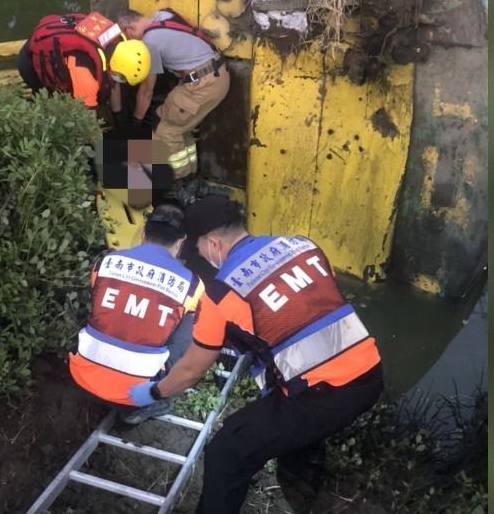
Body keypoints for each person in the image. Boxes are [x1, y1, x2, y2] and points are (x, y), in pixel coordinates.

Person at [127, 196, 384, 513]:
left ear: (214, 244)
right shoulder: (302, 246)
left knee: (226, 451)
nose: (201, 255)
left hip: (322, 396)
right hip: (369, 374)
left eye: (198, 247)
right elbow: (312, 305)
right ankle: (302, 488)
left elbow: (192, 369)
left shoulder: (221, 293)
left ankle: (297, 484)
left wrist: (153, 392)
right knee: (295, 429)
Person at [69, 204, 204, 424]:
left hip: (82, 375)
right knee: (193, 321)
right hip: (134, 394)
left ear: (142, 231)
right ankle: (157, 399)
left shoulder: (106, 262)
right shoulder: (191, 284)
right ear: (180, 243)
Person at [117, 8, 230, 203]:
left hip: (202, 83)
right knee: (179, 128)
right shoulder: (163, 15)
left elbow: (146, 91)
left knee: (163, 128)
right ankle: (192, 179)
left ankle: (179, 186)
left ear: (129, 29)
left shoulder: (149, 43)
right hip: (218, 75)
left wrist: (135, 123)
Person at [18, 11, 151, 110]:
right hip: (31, 62)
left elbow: (112, 84)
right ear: (116, 66)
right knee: (51, 103)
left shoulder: (116, 40)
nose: (120, 80)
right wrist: (103, 147)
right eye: (122, 77)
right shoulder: (87, 76)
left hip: (56, 41)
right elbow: (88, 122)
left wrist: (118, 116)